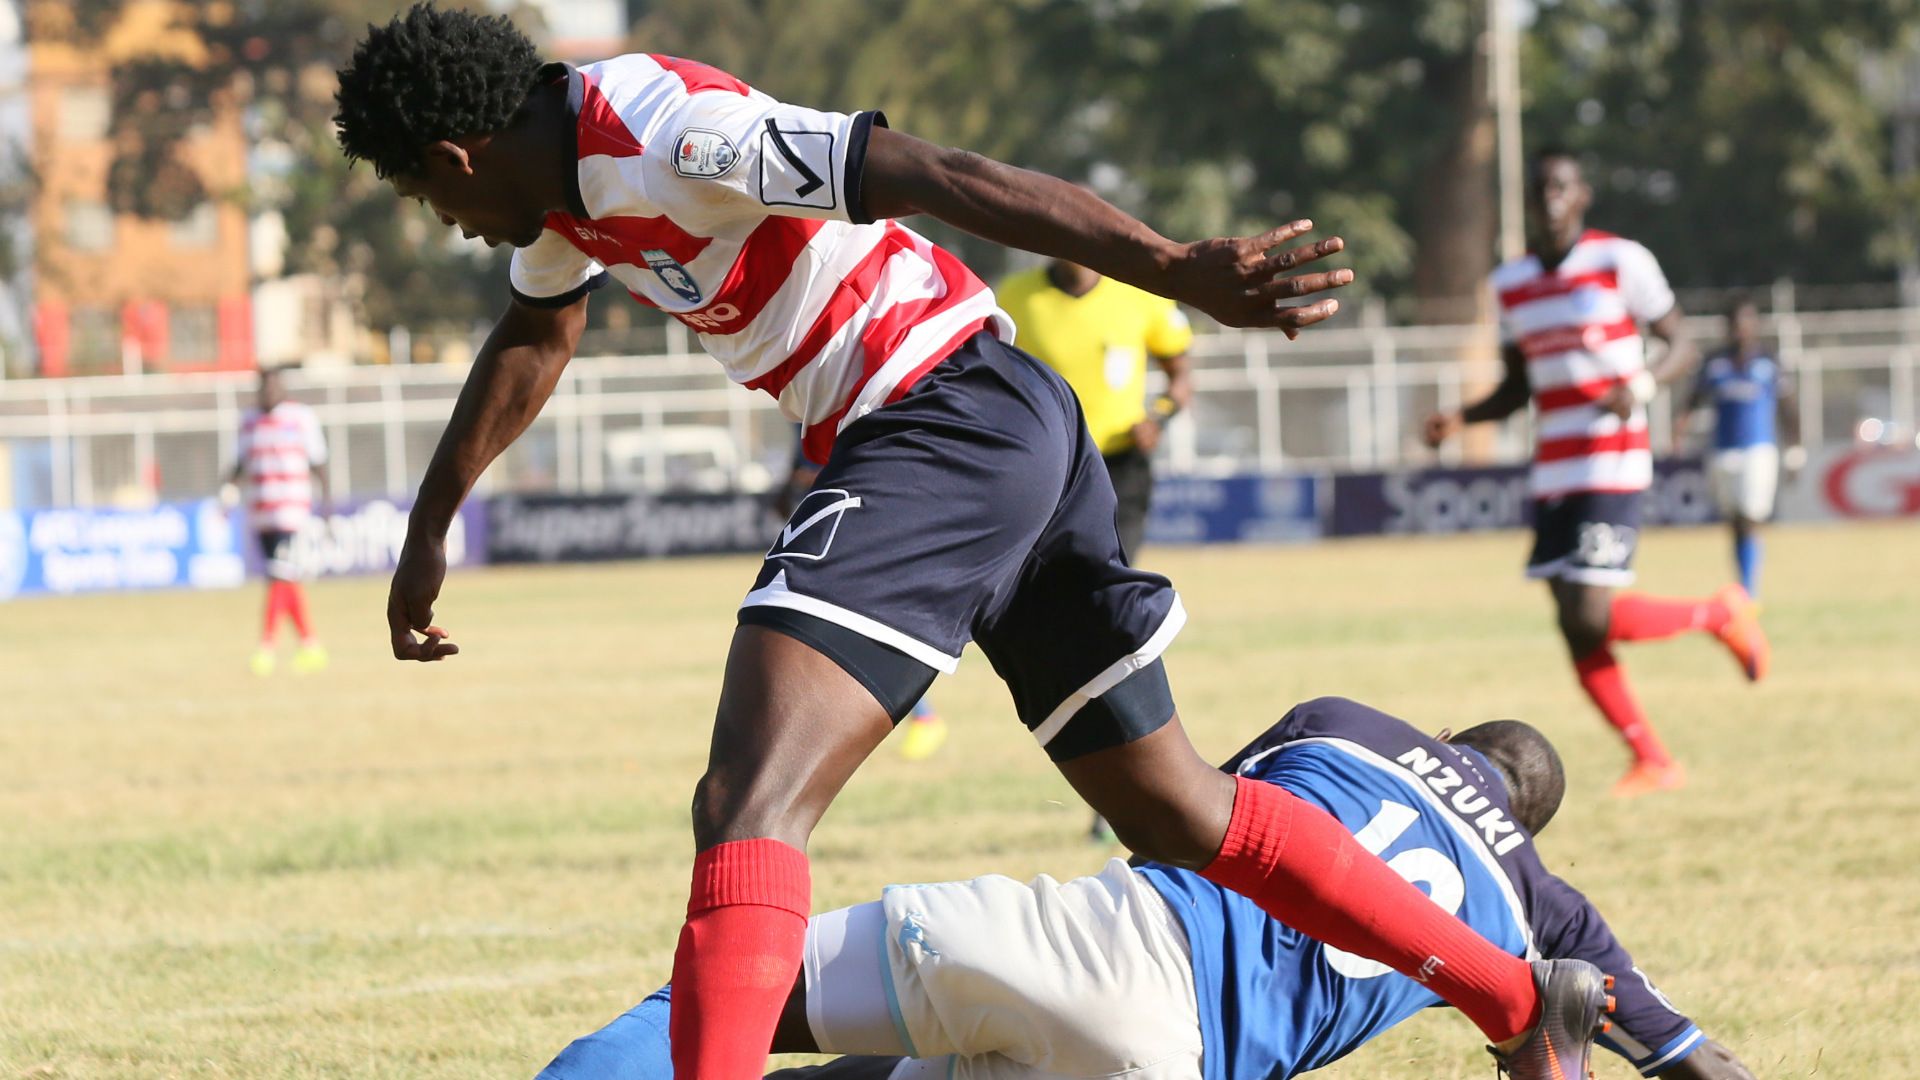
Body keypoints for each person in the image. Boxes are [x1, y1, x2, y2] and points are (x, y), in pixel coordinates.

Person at [336, 9, 1604, 1077]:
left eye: (422, 192)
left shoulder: (667, 133)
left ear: (459, 152)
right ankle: (1514, 998)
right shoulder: (564, 202)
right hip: (1003, 424)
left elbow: (934, 173)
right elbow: (533, 338)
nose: (442, 221)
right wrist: (430, 527)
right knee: (1181, 814)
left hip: (935, 415)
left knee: (748, 803)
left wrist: (1171, 269)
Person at [536, 697, 1757, 1080]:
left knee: (718, 1002)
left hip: (1119, 945)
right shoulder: (1547, 907)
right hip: (1189, 1065)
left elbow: (1200, 824)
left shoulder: (1347, 723)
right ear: (1530, 824)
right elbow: (1685, 1058)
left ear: (1449, 740)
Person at [1423, 149, 1770, 800]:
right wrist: (1460, 417)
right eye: (1540, 190)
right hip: (1554, 465)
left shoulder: (1619, 260)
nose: (1550, 199)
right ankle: (1654, 760)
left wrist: (1637, 386)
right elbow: (1516, 389)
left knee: (1589, 610)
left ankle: (1719, 614)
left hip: (1612, 454)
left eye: (1561, 187)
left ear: (1582, 196)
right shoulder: (1513, 284)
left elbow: (1682, 344)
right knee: (1574, 623)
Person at [996, 257, 1194, 562]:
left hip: (1121, 464)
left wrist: (1157, 418)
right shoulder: (1015, 295)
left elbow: (1181, 377)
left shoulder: (1140, 294)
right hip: (1049, 464)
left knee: (1112, 573)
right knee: (1049, 580)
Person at [776, 440, 946, 761]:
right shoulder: (801, 416)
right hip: (824, 536)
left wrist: (804, 481)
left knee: (865, 627)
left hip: (859, 531)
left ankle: (924, 716)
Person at [1680, 295, 1800, 599]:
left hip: (1759, 450)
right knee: (1735, 521)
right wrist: (1678, 428)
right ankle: (1743, 586)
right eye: (1735, 323)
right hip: (1722, 451)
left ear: (1755, 325)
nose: (1740, 329)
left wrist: (1795, 450)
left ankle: (1749, 591)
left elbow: (1789, 407)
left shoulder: (1768, 362)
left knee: (1750, 518)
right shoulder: (1714, 363)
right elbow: (1693, 400)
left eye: (1746, 321)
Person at [223, 367, 330, 676]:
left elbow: (319, 461)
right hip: (261, 512)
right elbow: (239, 462)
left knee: (278, 577)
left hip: (291, 512)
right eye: (263, 388)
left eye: (273, 387)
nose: (268, 393)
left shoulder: (300, 418)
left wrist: (327, 504)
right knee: (285, 579)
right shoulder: (248, 421)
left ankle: (266, 647)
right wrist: (227, 493)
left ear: (282, 389)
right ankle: (310, 645)